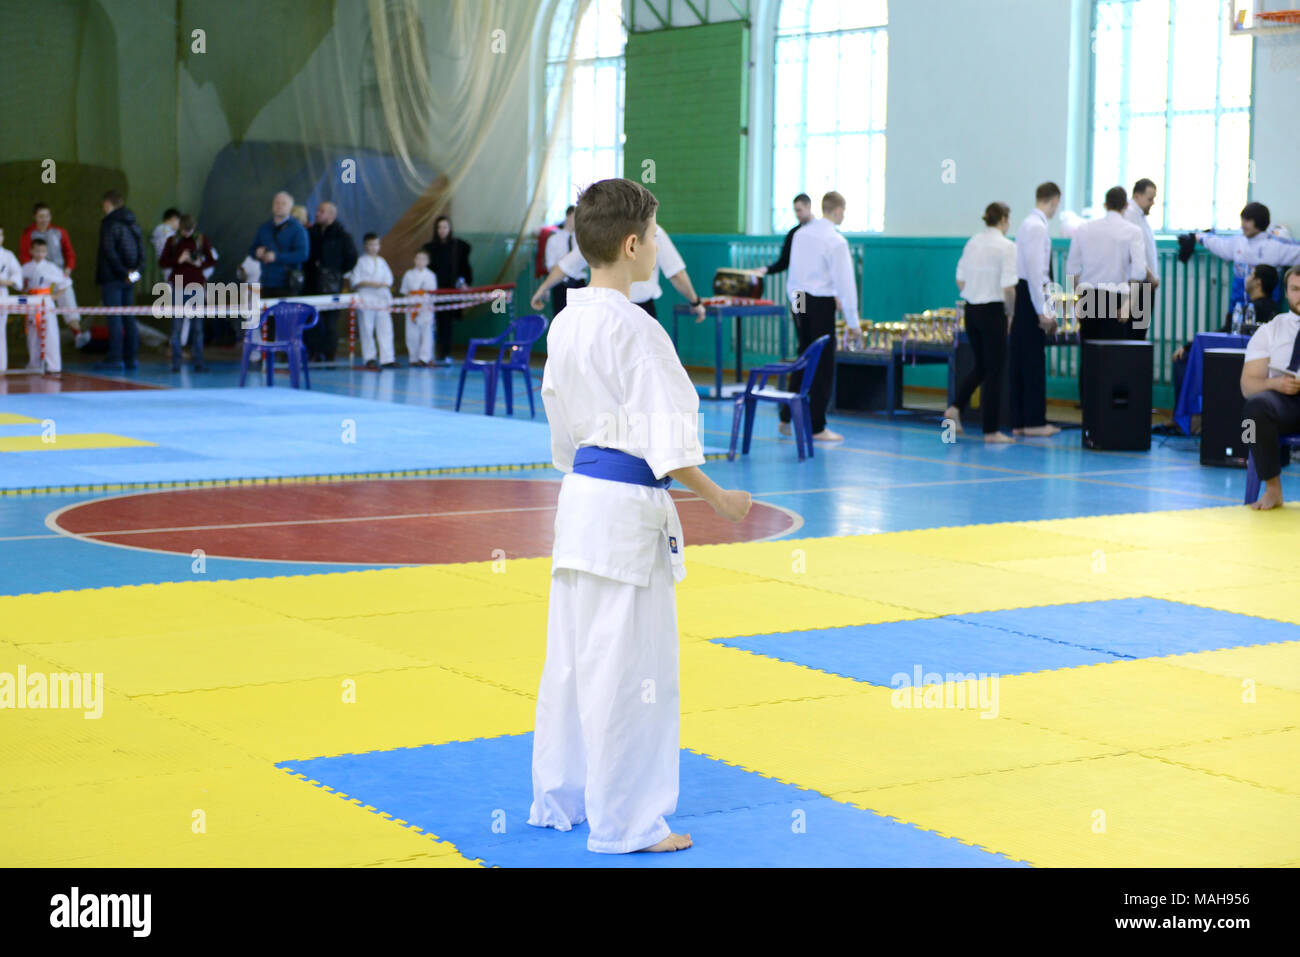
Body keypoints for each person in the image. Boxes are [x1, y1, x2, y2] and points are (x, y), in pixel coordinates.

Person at [529, 176, 752, 854]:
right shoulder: (640, 330)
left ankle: (558, 797)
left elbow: (561, 424)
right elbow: (666, 444)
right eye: (653, 236)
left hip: (580, 502)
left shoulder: (566, 320)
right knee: (632, 672)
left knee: (571, 660)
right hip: (625, 510)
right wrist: (719, 497)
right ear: (631, 245)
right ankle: (628, 821)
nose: (657, 245)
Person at [780, 190, 863, 443]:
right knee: (823, 363)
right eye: (844, 211)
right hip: (819, 303)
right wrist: (853, 322)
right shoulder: (835, 240)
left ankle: (785, 418)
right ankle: (817, 426)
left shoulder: (801, 234)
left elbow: (797, 272)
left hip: (800, 299)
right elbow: (845, 282)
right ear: (837, 211)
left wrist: (798, 303)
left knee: (803, 355)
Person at [945, 202, 1017, 442]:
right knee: (995, 370)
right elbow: (1008, 288)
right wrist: (1010, 314)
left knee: (982, 366)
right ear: (1004, 220)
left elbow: (959, 281)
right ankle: (991, 430)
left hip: (971, 310)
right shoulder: (1007, 247)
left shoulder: (973, 242)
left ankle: (955, 407)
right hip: (993, 310)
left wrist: (977, 290)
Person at [531, 225, 706, 323]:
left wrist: (542, 288)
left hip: (605, 311)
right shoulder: (652, 231)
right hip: (626, 311)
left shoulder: (599, 231)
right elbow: (676, 273)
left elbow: (566, 266)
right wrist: (695, 301)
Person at [1067, 185, 1148, 396]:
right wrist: (1129, 305)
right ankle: (1110, 413)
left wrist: (1075, 302)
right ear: (1126, 205)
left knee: (1089, 355)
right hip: (1116, 298)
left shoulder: (1084, 229)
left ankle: (1088, 413)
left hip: (1088, 295)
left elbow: (1072, 269)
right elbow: (1138, 272)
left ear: (1104, 205)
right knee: (1113, 357)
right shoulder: (1132, 231)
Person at [1239, 266, 1300, 510]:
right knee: (1251, 413)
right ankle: (1272, 488)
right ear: (1286, 293)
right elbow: (1247, 385)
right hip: (1283, 402)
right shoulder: (1270, 330)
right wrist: (1274, 383)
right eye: (1296, 289)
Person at [1172, 263, 1280, 398]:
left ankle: (1185, 414)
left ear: (1258, 282)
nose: (1246, 279)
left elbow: (1226, 332)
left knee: (1182, 359)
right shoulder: (1272, 309)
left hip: (1234, 362)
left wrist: (1188, 346)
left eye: (1250, 275)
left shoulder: (1251, 310)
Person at [1008, 183, 1063, 437]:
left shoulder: (1028, 225)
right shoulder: (1037, 227)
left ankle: (1020, 421)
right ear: (1053, 201)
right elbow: (1035, 272)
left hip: (1026, 294)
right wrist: (1043, 309)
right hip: (1031, 297)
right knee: (1032, 359)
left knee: (1022, 357)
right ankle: (1034, 422)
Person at [1196, 203, 1300, 320]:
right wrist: (1197, 237)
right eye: (1242, 220)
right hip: (1236, 311)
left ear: (1259, 222)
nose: (1243, 225)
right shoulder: (1238, 242)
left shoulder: (1277, 246)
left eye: (1247, 221)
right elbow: (1218, 244)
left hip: (1265, 314)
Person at [94, 189, 146, 372]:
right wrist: (132, 275)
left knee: (114, 319)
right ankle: (131, 359)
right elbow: (142, 255)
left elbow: (109, 252)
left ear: (107, 204)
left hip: (112, 278)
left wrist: (122, 272)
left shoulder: (109, 224)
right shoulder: (134, 223)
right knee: (129, 318)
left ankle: (115, 358)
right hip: (129, 279)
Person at [159, 214, 216, 372]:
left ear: (194, 228)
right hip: (177, 285)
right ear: (179, 228)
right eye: (184, 230)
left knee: (197, 328)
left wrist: (199, 263)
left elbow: (212, 260)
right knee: (176, 328)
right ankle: (176, 363)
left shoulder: (200, 240)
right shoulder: (173, 241)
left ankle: (199, 362)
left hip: (196, 285)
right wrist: (178, 260)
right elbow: (162, 262)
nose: (186, 233)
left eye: (189, 231)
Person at [304, 201, 359, 362]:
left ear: (331, 215)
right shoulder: (310, 233)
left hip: (331, 285)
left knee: (330, 323)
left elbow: (352, 258)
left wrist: (336, 272)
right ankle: (313, 352)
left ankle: (329, 354)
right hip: (311, 283)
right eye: (317, 210)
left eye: (321, 211)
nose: (317, 213)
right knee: (311, 319)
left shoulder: (342, 235)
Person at [20, 238, 79, 375]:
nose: (40, 253)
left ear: (46, 252)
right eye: (37, 251)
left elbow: (66, 283)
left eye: (43, 251)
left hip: (46, 301)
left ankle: (53, 366)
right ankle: (34, 365)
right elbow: (19, 283)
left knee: (50, 333)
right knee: (33, 334)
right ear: (31, 251)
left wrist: (55, 296)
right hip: (31, 301)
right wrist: (25, 292)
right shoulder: (26, 267)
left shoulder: (51, 267)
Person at [422, 215, 473, 365]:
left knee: (447, 323)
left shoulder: (458, 247)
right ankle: (427, 354)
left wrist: (463, 283)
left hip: (451, 292)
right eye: (439, 227)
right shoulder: (429, 249)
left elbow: (464, 268)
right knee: (430, 322)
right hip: (433, 292)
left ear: (449, 229)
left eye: (445, 227)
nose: (442, 230)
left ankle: (446, 353)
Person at [19, 204, 78, 316]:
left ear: (50, 217)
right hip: (40, 280)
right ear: (35, 217)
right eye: (41, 216)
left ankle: (77, 332)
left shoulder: (60, 232)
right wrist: (30, 275)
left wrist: (68, 268)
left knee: (70, 308)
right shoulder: (28, 234)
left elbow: (69, 253)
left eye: (47, 216)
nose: (44, 219)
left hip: (59, 275)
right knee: (40, 312)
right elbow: (24, 257)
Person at [248, 191, 310, 299]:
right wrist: (257, 252)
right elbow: (252, 249)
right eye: (277, 203)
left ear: (290, 207)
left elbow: (302, 255)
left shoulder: (298, 229)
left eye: (283, 203)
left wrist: (276, 257)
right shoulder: (264, 228)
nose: (279, 206)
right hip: (266, 283)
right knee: (266, 315)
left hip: (287, 284)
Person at [348, 232, 395, 369]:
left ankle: (387, 358)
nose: (373, 247)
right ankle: (369, 358)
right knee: (367, 328)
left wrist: (381, 285)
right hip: (366, 298)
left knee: (385, 328)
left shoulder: (382, 262)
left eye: (376, 244)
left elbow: (389, 280)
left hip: (382, 298)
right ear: (365, 246)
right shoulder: (360, 261)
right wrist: (372, 283)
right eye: (370, 244)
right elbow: (355, 281)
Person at [756, 193, 814, 277]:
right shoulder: (793, 233)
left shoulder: (821, 231)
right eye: (795, 211)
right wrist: (766, 269)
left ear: (809, 206)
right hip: (798, 284)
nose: (797, 214)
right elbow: (784, 261)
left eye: (799, 210)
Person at [543, 205, 585, 315]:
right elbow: (550, 266)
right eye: (576, 216)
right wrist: (565, 264)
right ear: (569, 216)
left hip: (579, 284)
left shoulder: (582, 239)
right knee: (561, 319)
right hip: (561, 285)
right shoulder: (554, 239)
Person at [400, 248, 438, 366]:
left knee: (426, 334)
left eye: (423, 259)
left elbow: (433, 293)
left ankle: (424, 358)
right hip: (412, 308)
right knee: (412, 334)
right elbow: (404, 290)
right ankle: (413, 358)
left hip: (426, 308)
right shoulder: (408, 274)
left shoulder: (431, 275)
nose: (420, 261)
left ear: (428, 261)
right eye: (418, 258)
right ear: (414, 260)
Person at [1123, 179, 1160, 298]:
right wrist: (1151, 277)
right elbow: (1132, 253)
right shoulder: (1129, 215)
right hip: (1137, 284)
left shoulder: (1141, 215)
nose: (1153, 203)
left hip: (1145, 283)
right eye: (1150, 199)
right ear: (1136, 196)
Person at [0, 228, 21, 372]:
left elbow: (17, 274)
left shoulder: (8, 255)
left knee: (0, 331)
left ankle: (1, 366)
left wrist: (7, 282)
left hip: (2, 295)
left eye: (0, 234)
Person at [151, 208, 181, 282]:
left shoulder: (165, 231)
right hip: (170, 266)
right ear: (174, 218)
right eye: (179, 221)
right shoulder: (164, 231)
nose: (179, 225)